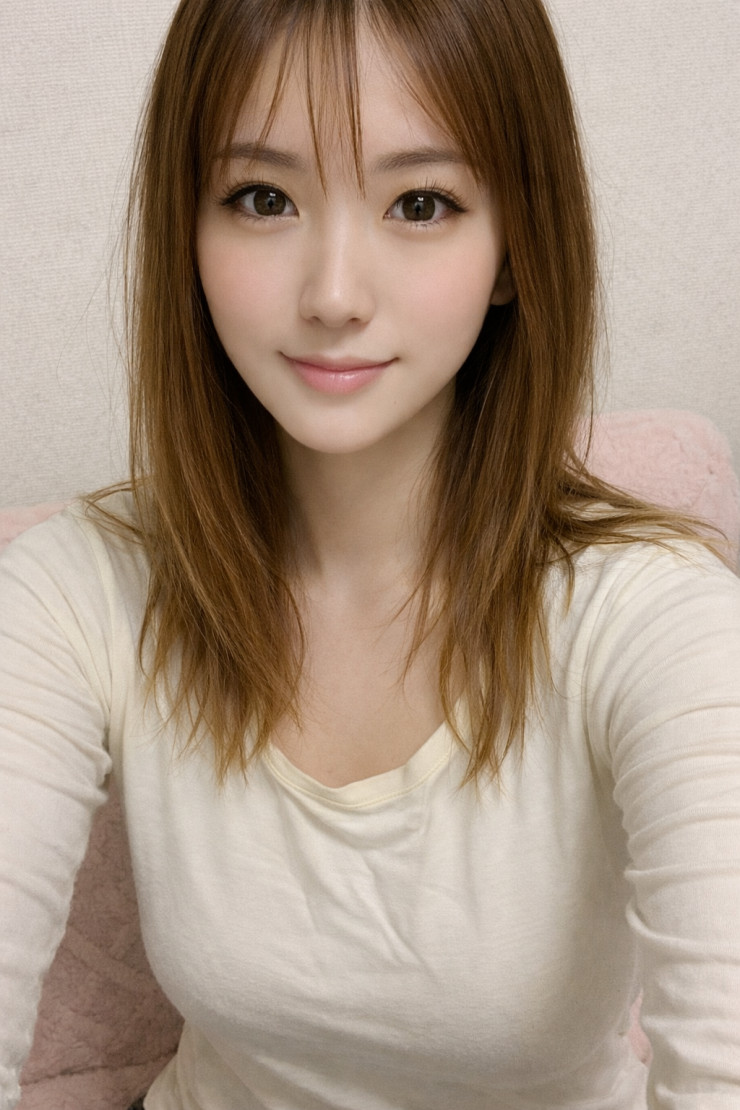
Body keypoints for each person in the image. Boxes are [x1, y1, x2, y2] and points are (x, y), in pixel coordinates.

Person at [1, 0, 739, 1107]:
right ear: (187, 230)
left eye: (420, 203)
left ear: (512, 248)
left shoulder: (655, 618)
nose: (334, 296)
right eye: (263, 198)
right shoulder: (76, 591)